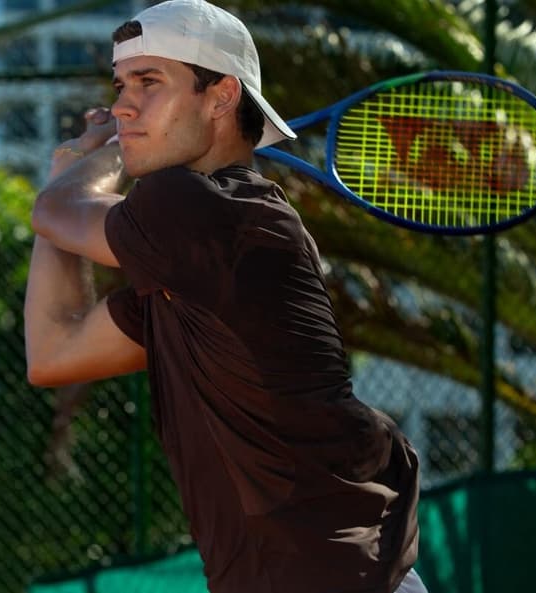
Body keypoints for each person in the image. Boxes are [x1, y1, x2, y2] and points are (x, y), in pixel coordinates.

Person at [24, 1, 427, 591]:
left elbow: (56, 209)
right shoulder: (198, 259)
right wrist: (70, 166)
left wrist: (102, 153)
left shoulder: (201, 210)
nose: (122, 104)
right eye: (120, 86)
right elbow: (54, 351)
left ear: (220, 97)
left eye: (149, 83)